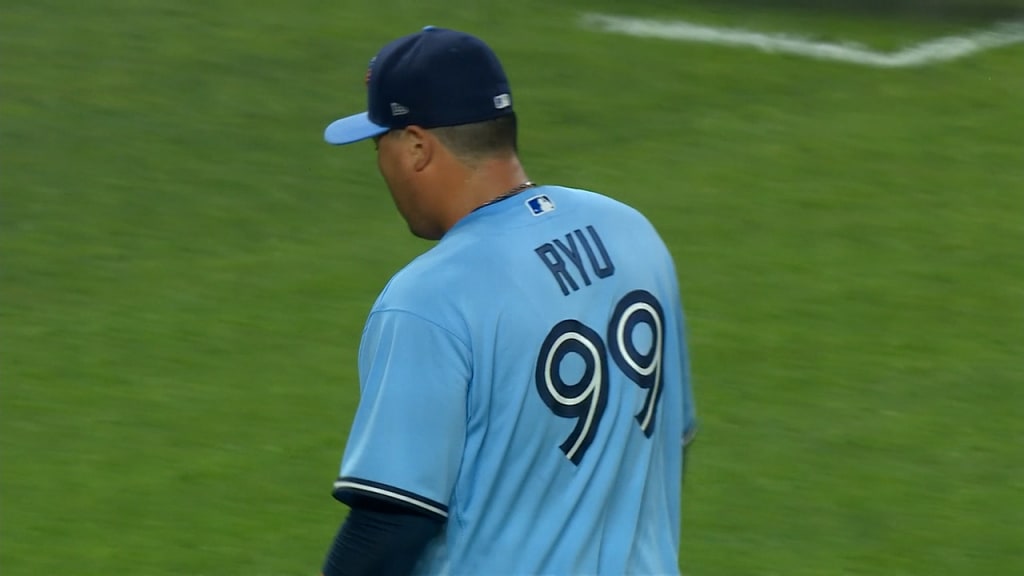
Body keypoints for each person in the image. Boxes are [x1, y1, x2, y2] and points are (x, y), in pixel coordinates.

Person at [319, 25, 698, 576]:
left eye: (381, 145)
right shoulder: (632, 234)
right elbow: (671, 439)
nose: (381, 166)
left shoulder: (428, 299)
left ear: (418, 147)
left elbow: (391, 523)